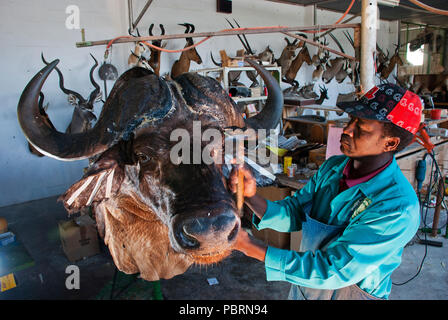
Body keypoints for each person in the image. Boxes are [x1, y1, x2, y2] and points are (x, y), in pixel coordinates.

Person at [229, 83, 422, 300]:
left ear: (391, 143)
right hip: (306, 289)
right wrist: (250, 196)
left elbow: (333, 270)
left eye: (362, 126)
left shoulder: (397, 207)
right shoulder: (333, 168)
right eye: (351, 120)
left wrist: (250, 246)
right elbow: (294, 214)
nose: (347, 130)